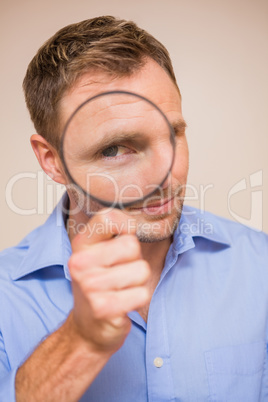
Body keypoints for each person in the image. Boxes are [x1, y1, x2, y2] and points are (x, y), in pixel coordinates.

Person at [0, 16, 267, 402]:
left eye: (174, 134)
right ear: (52, 161)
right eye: (114, 149)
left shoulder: (259, 264)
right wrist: (80, 341)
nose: (167, 174)